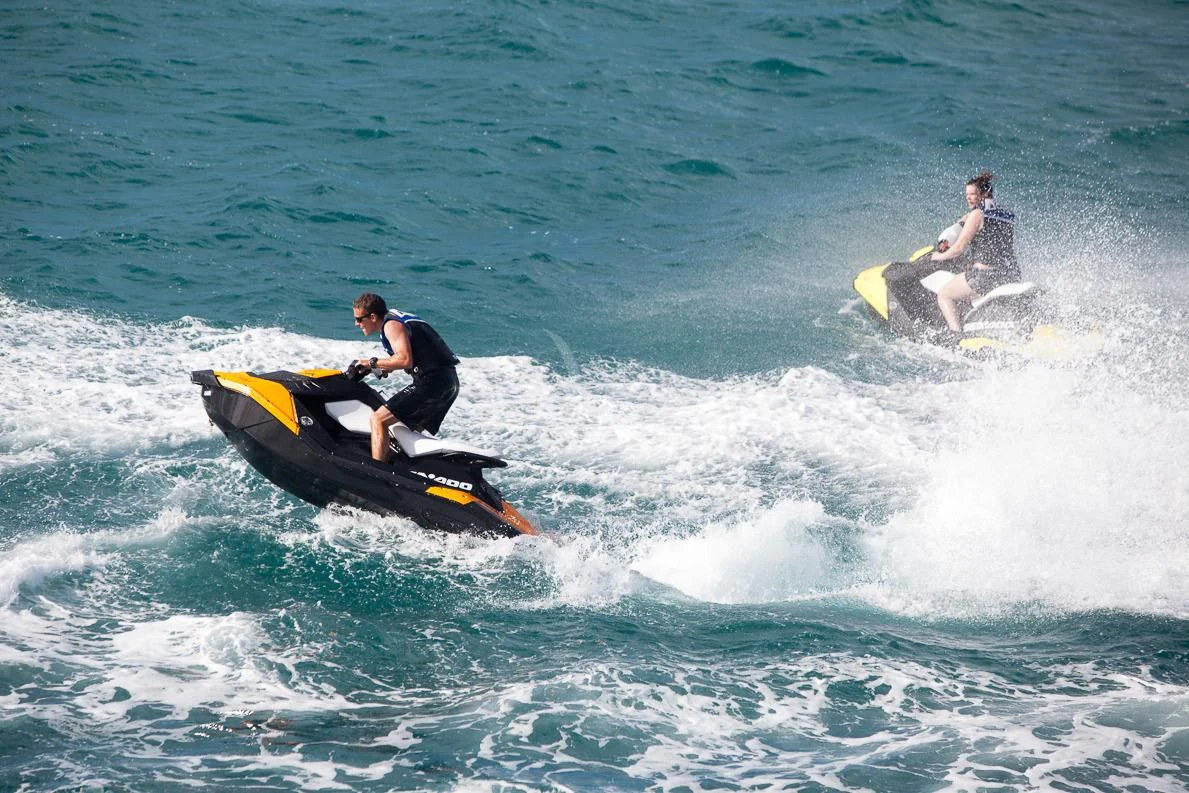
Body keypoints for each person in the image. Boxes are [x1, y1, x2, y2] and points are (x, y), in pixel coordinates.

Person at [351, 292, 460, 463]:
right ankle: (407, 469)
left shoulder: (390, 325)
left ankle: (378, 472)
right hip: (448, 381)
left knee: (378, 419)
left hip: (432, 381)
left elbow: (405, 360)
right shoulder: (394, 318)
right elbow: (410, 357)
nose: (356, 324)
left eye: (359, 319)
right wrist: (377, 368)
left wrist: (371, 363)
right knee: (405, 430)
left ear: (372, 317)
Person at [930, 170, 1019, 332]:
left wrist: (939, 256)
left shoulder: (977, 214)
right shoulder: (1007, 213)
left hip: (985, 276)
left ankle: (955, 334)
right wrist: (965, 220)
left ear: (984, 193)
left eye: (972, 194)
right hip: (1010, 272)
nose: (968, 197)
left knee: (944, 294)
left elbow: (958, 249)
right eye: (967, 194)